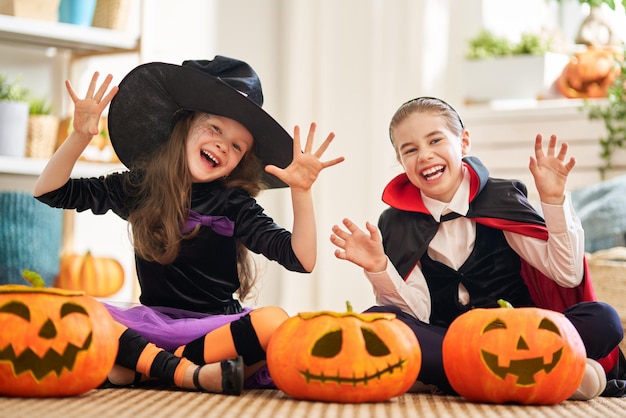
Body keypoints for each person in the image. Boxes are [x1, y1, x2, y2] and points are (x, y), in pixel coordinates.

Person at [33, 56, 344, 395]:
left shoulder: (234, 204)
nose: (224, 144)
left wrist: (301, 192)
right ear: (183, 125)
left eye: (237, 146)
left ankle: (151, 369)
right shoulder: (139, 187)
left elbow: (302, 259)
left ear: (240, 162)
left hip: (215, 334)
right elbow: (50, 191)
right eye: (215, 128)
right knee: (77, 309)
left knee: (274, 323)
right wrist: (79, 137)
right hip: (151, 326)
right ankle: (188, 374)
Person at [330, 96, 625, 399]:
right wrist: (380, 267)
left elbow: (567, 275)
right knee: (380, 322)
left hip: (526, 336)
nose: (425, 155)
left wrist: (552, 200)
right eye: (411, 150)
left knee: (604, 319)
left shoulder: (502, 197)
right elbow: (415, 313)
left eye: (435, 140)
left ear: (464, 142)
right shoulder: (396, 222)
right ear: (401, 161)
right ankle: (550, 373)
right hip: (450, 340)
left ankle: (448, 378)